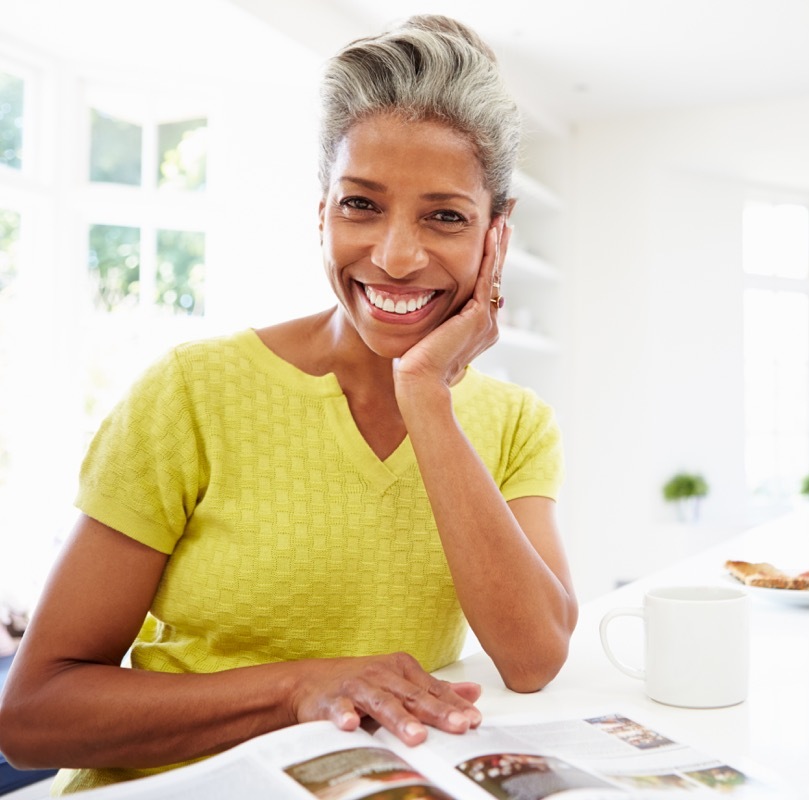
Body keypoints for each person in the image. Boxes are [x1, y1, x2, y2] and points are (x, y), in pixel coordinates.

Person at [0, 15, 577, 794]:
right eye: (361, 205)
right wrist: (296, 688)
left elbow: (534, 658)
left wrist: (424, 396)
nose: (396, 256)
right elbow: (32, 715)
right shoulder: (193, 392)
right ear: (322, 212)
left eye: (445, 216)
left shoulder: (516, 424)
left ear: (495, 238)